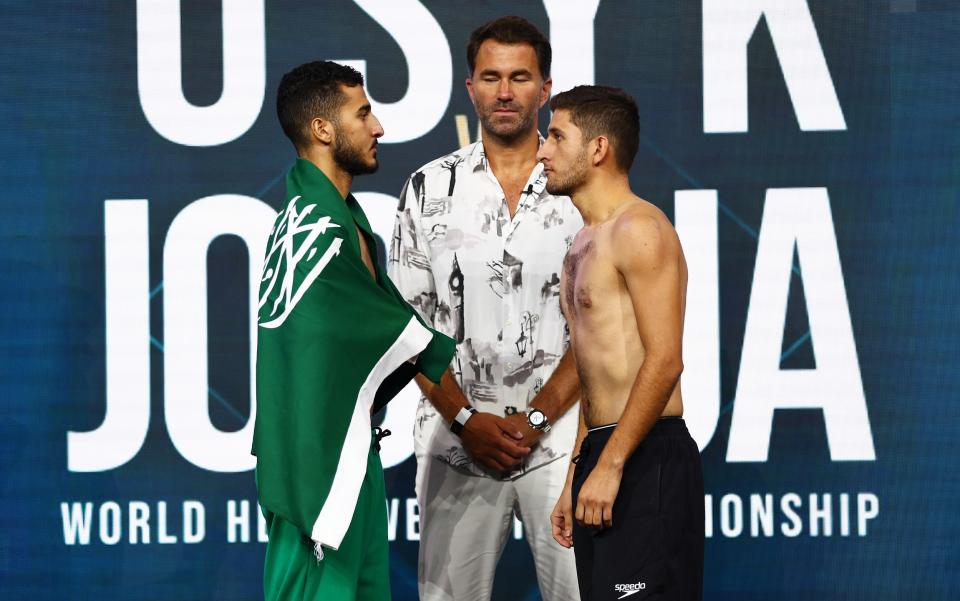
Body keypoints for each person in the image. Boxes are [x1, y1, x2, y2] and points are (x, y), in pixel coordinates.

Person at [389, 16, 583, 601]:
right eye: (491, 77)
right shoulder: (427, 189)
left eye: (520, 77)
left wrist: (537, 418)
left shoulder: (580, 187)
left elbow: (603, 331)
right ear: (469, 87)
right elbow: (410, 326)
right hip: (455, 442)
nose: (505, 92)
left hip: (561, 442)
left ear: (544, 89)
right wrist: (469, 422)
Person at [253, 61, 455, 601]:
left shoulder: (332, 214)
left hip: (350, 456)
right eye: (362, 113)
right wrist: (467, 416)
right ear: (323, 130)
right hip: (318, 478)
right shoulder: (318, 228)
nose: (378, 127)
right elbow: (404, 338)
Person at [539, 86, 704, 601]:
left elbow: (665, 360)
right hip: (603, 450)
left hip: (646, 456)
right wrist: (575, 473)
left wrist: (611, 464)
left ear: (598, 149)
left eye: (556, 137)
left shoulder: (641, 230)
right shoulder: (584, 241)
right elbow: (595, 376)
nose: (542, 150)